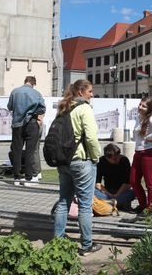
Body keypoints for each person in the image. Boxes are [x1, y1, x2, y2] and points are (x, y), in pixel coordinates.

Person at [52, 79, 102, 256]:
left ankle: (57, 240)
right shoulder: (84, 109)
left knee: (63, 201)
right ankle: (87, 245)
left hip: (64, 162)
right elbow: (91, 138)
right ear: (81, 92)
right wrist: (96, 158)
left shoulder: (64, 107)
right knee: (85, 206)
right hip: (81, 161)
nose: (92, 94)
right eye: (90, 91)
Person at [7, 76, 46, 185]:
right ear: (33, 84)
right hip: (32, 123)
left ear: (25, 82)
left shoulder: (15, 92)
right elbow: (42, 108)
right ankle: (28, 178)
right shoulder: (36, 93)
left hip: (17, 124)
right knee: (30, 151)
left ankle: (17, 177)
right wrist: (32, 111)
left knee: (17, 151)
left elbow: (9, 107)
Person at [130, 96, 152, 214]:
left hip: (150, 152)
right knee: (133, 180)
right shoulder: (139, 118)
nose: (140, 107)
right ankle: (143, 204)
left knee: (150, 183)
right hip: (139, 152)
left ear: (149, 108)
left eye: (144, 106)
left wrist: (150, 137)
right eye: (140, 104)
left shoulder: (151, 118)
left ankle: (151, 209)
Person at [95, 143, 135, 210]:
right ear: (107, 158)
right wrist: (109, 194)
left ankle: (109, 203)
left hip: (122, 191)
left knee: (134, 192)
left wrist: (116, 195)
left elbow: (127, 183)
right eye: (114, 159)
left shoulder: (124, 160)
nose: (117, 160)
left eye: (118, 156)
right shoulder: (101, 161)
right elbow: (97, 183)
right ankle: (115, 203)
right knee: (92, 191)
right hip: (107, 192)